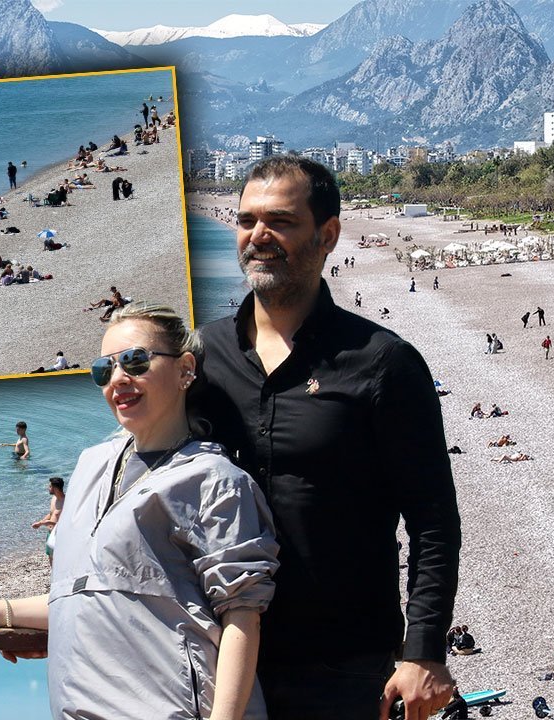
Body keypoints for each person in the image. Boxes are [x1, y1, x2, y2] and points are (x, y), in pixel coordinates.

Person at [0, 303, 280, 719]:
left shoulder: (215, 479)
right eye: (104, 369)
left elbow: (242, 617)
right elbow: (82, 594)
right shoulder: (90, 467)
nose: (118, 378)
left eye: (135, 361)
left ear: (185, 369)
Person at [194, 156, 459, 720]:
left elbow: (433, 519)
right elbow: (149, 487)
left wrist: (424, 651)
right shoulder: (203, 358)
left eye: (281, 221)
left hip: (344, 666)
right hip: (215, 654)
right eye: (247, 220)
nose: (258, 236)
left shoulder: (382, 362)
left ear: (328, 235)